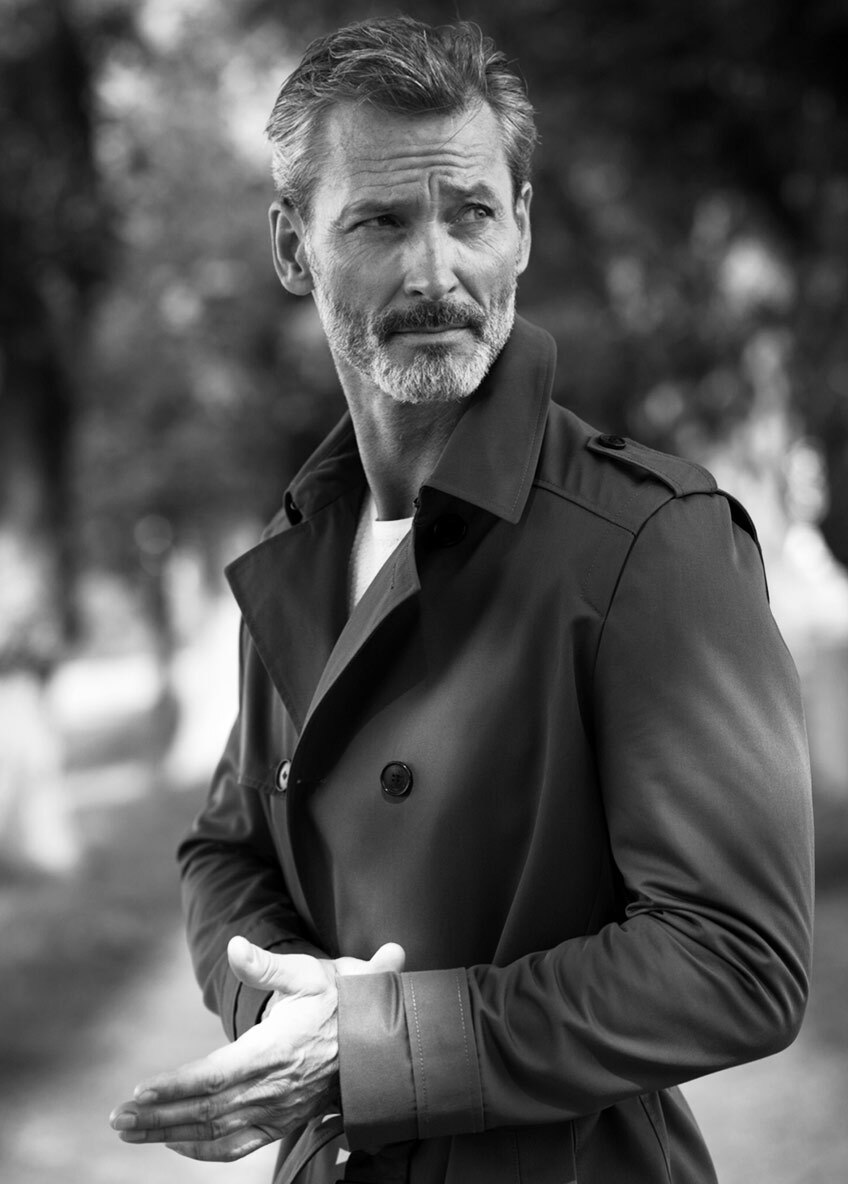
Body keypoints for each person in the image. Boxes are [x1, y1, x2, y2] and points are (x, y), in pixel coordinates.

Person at [110, 16, 814, 1184]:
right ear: (291, 245)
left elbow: (736, 956)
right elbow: (224, 848)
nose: (434, 272)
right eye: (380, 221)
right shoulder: (298, 545)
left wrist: (380, 1045)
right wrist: (286, 1011)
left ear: (520, 227)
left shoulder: (649, 539)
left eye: (470, 213)